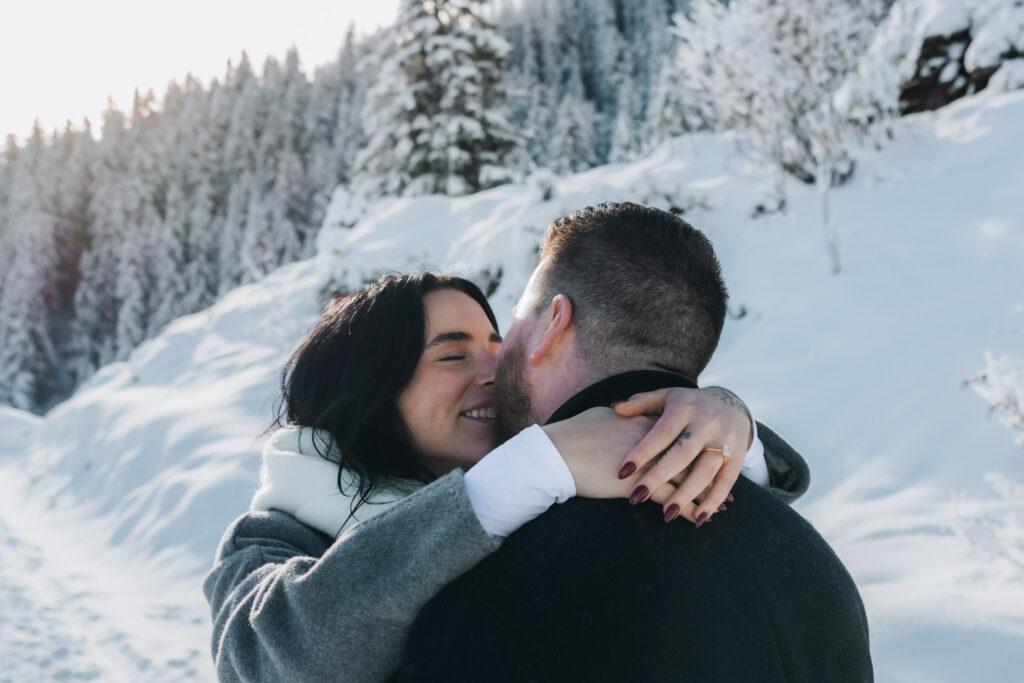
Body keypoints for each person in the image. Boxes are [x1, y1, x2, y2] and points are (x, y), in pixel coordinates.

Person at [203, 270, 809, 682]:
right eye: (451, 354)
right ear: (368, 389)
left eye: (497, 345)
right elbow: (274, 658)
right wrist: (513, 479)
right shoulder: (268, 540)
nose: (495, 370)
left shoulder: (546, 481)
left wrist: (724, 429)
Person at [400, 203, 872, 682]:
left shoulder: (493, 586)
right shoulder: (816, 566)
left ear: (551, 325)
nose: (494, 365)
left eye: (516, 321)